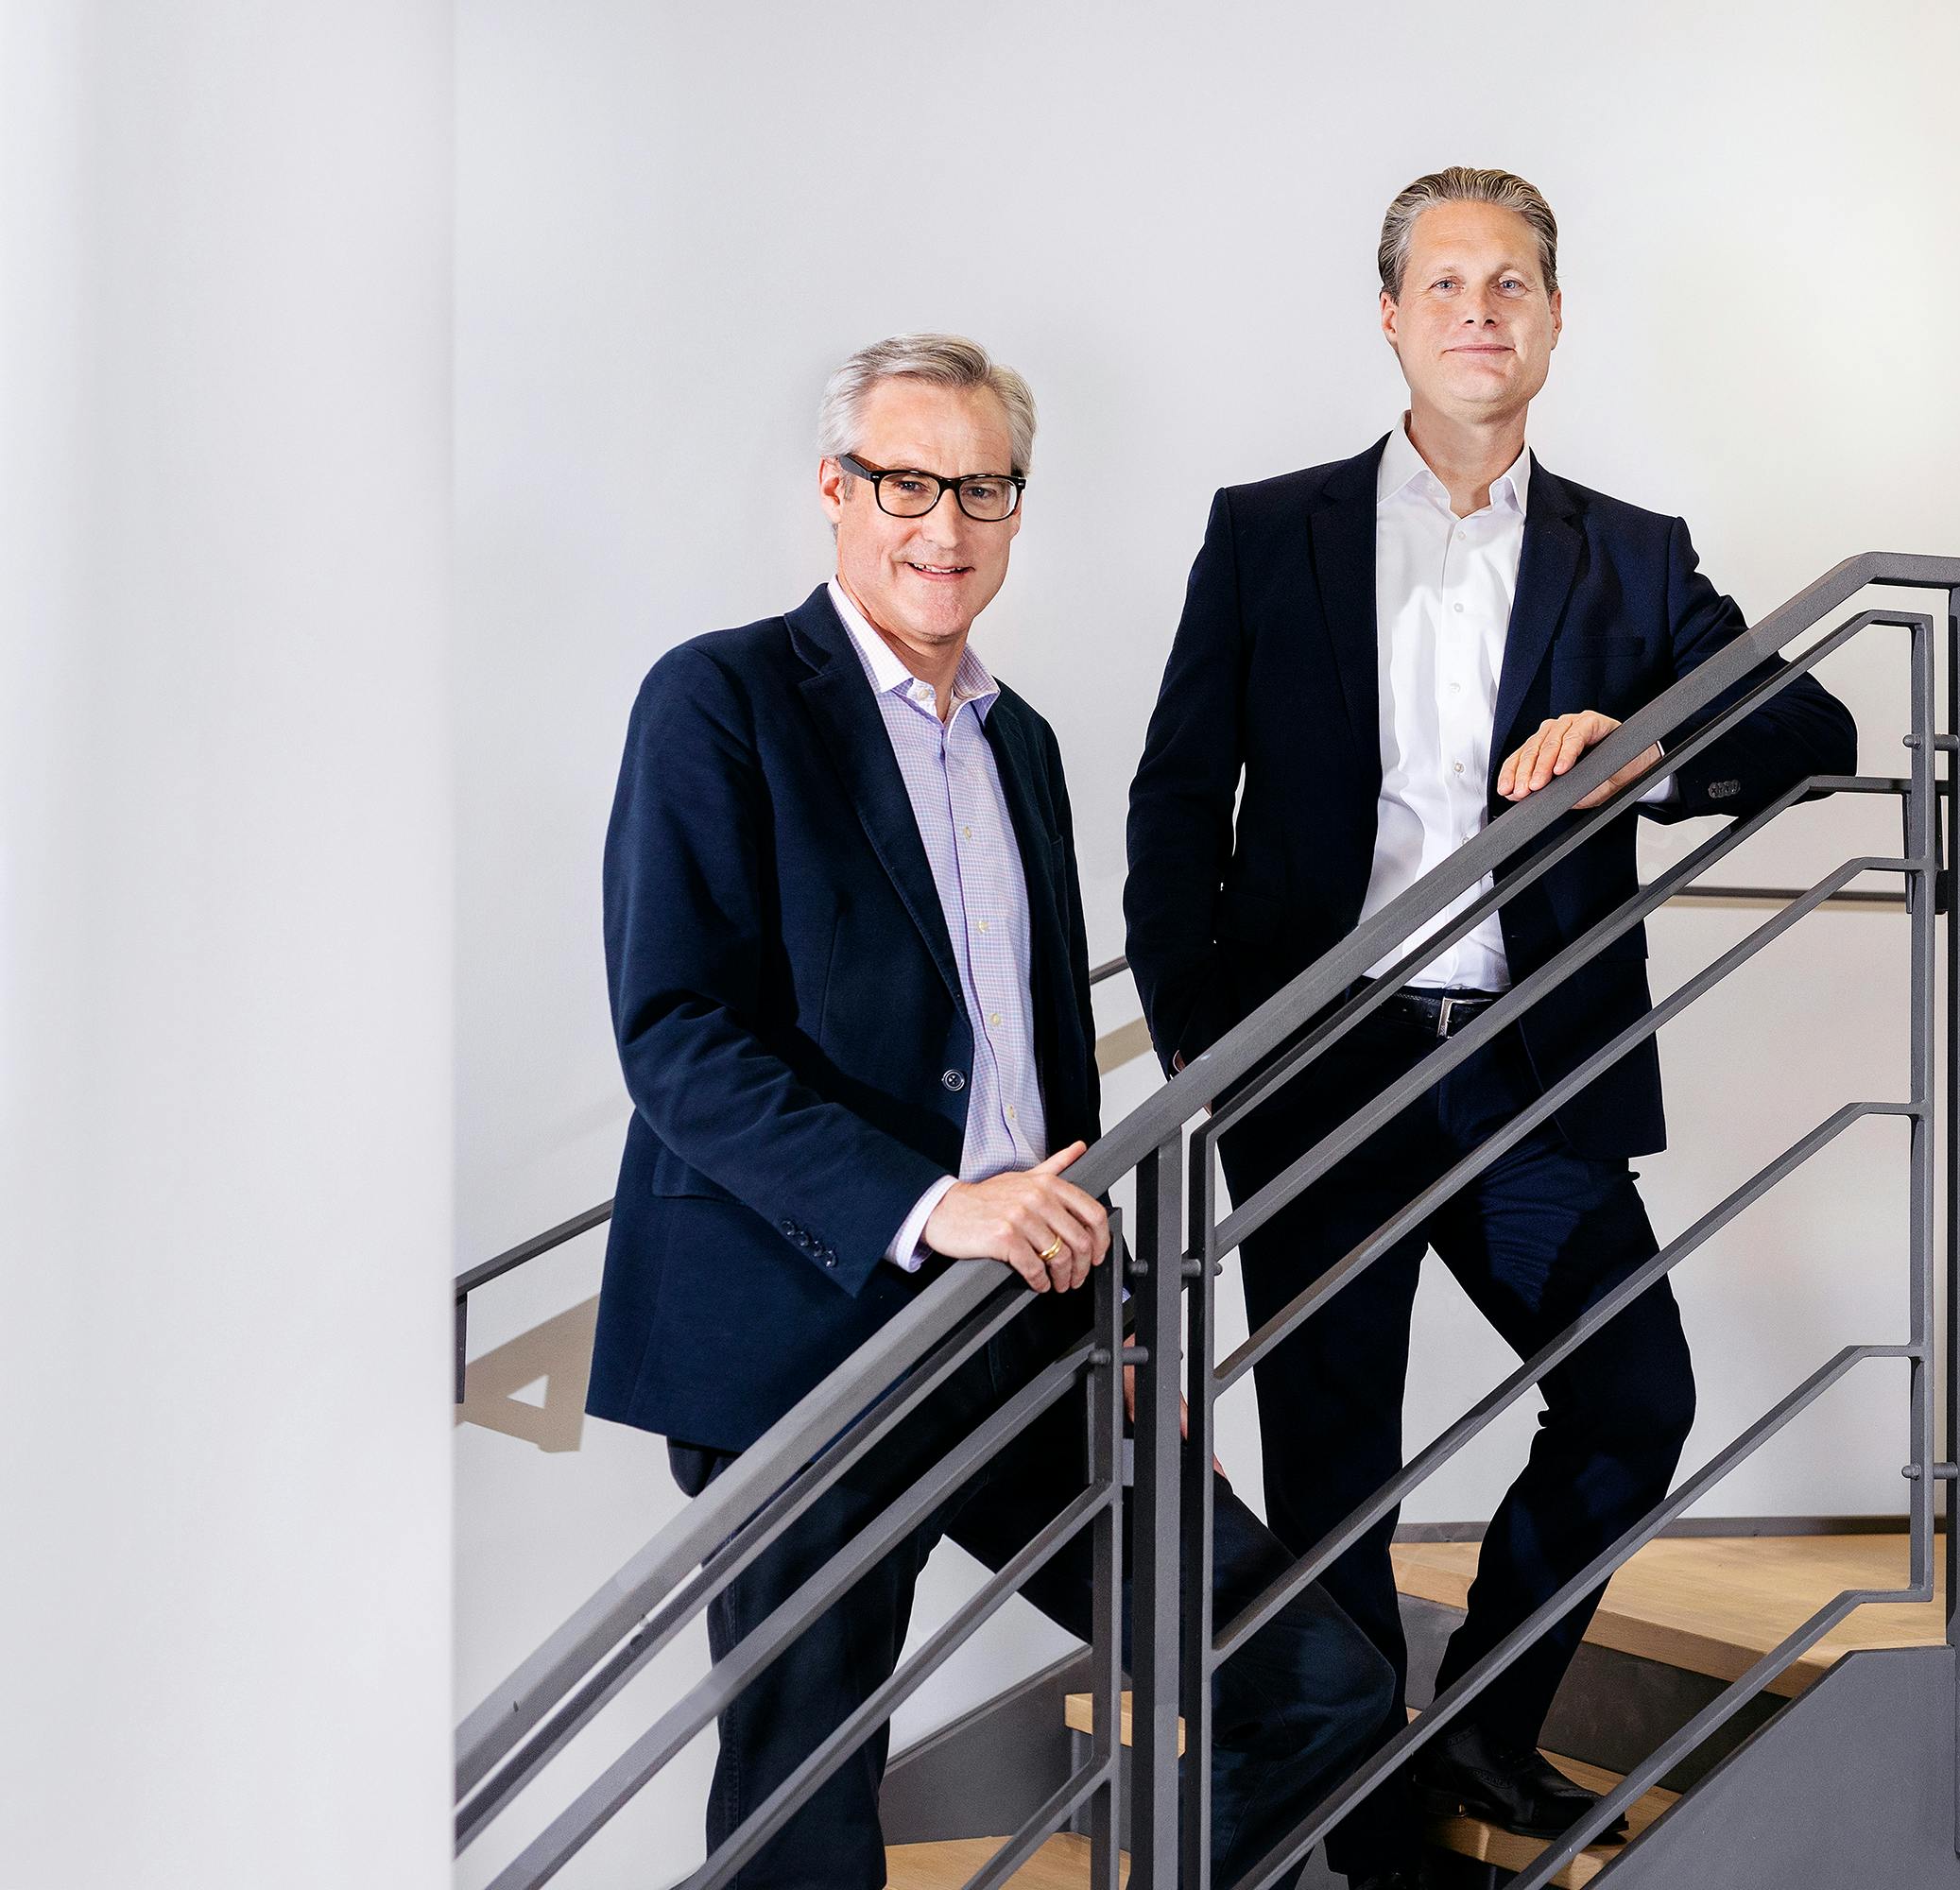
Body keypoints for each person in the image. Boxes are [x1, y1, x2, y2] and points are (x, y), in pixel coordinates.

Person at [1123, 168, 1857, 1881]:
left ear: (1551, 320)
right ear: (1390, 313)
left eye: (1511, 283)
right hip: (1330, 1072)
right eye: (1444, 282)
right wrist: (1211, 1069)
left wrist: (1646, 745)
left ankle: (1482, 1730)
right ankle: (1369, 1824)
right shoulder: (1267, 530)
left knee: (1631, 1399)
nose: (1479, 311)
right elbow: (1175, 814)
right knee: (1333, 1474)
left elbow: (1806, 728)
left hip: (1539, 1071)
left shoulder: (1633, 554)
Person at [588, 334, 1396, 1888]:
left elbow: (1042, 1078)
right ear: (834, 489)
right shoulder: (723, 699)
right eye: (903, 481)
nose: (941, 525)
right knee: (803, 1815)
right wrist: (928, 1199)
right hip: (810, 1332)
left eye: (981, 488)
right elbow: (676, 1035)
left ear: (1017, 509)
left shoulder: (1017, 742)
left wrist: (1131, 1328)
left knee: (1315, 1684)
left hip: (1026, 1321)